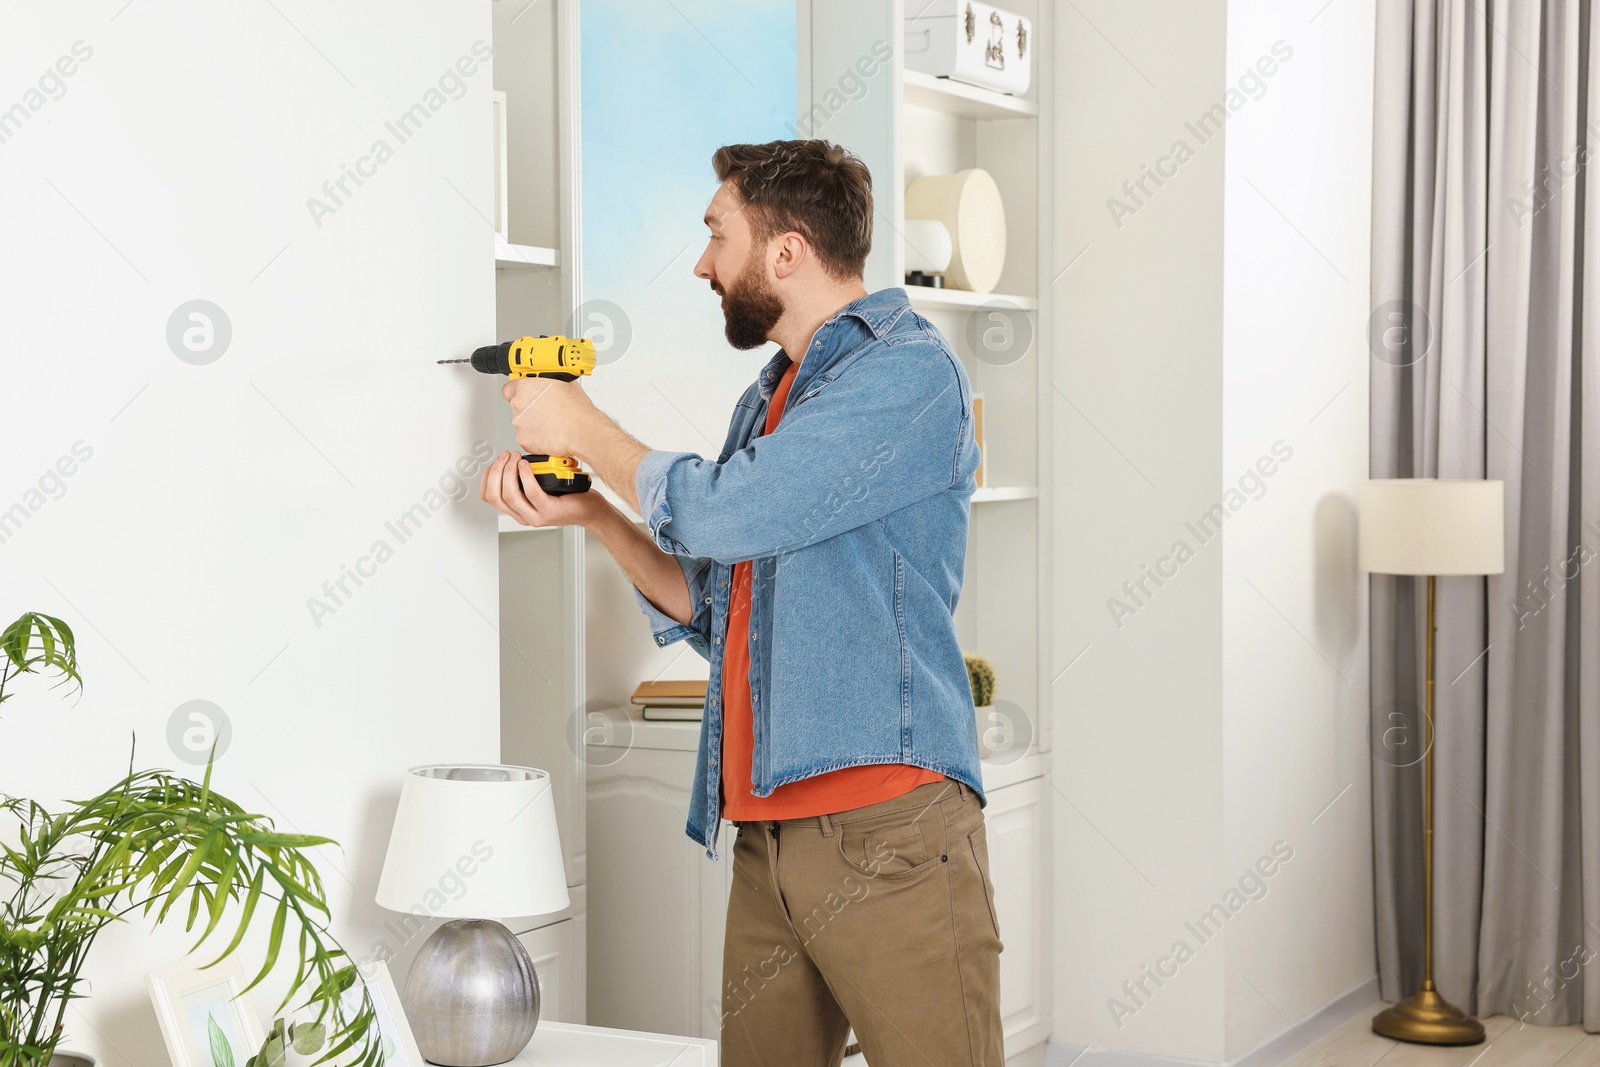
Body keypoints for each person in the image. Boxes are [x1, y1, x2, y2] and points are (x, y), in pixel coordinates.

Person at [479, 138, 1000, 1067]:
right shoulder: (772, 397)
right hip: (768, 835)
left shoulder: (909, 376)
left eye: (718, 233)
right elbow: (715, 608)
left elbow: (724, 509)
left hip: (891, 827)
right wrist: (593, 511)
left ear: (786, 249)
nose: (703, 262)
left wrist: (584, 427)